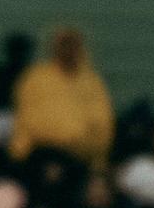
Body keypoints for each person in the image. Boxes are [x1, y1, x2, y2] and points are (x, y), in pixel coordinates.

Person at [8, 28, 114, 169]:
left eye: (73, 45)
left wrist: (90, 150)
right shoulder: (36, 78)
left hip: (82, 157)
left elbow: (103, 124)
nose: (69, 50)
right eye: (64, 45)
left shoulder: (91, 81)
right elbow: (29, 120)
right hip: (41, 154)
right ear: (54, 48)